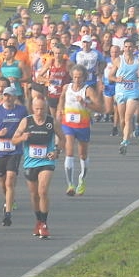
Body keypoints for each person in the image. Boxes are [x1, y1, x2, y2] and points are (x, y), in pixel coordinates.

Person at [13, 92, 60, 238]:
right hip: (30, 162)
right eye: (37, 109)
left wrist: (57, 151)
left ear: (46, 108)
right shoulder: (26, 121)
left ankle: (45, 224)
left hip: (47, 161)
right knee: (34, 195)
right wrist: (22, 137)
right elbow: (14, 140)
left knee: (43, 191)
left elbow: (63, 138)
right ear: (33, 108)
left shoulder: (52, 122)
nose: (40, 112)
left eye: (43, 109)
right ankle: (38, 221)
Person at [0, 86, 27, 226]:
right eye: (5, 95)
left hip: (15, 150)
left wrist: (22, 137)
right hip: (0, 151)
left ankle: (7, 214)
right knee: (2, 182)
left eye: (10, 95)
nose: (7, 98)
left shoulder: (21, 111)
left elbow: (27, 126)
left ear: (15, 97)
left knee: (10, 180)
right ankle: (8, 200)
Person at [56, 65, 101, 196]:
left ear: (84, 77)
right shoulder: (66, 87)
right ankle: (70, 184)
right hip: (68, 124)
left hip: (83, 125)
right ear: (71, 76)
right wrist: (59, 110)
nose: (77, 79)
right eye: (75, 76)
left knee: (83, 155)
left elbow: (98, 107)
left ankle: (82, 179)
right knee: (69, 152)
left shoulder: (88, 90)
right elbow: (62, 98)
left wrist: (85, 103)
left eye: (79, 77)